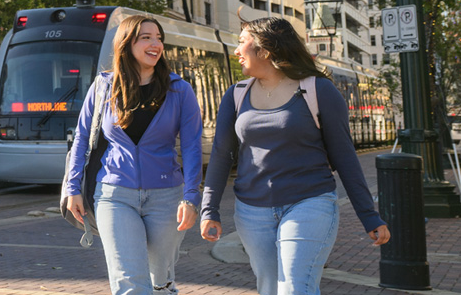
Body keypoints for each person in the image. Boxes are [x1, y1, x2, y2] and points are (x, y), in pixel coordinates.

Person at [201, 17, 391, 295]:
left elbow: (344, 156)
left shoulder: (318, 90)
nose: (236, 51)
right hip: (252, 210)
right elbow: (221, 154)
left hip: (309, 202)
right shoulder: (236, 95)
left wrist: (368, 215)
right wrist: (210, 209)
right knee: (269, 287)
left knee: (294, 287)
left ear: (264, 50)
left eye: (242, 43)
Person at [64, 15, 203, 295]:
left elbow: (191, 147)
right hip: (114, 194)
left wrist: (191, 197)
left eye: (159, 38)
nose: (156, 44)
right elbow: (81, 140)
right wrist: (72, 188)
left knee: (160, 280)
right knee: (129, 281)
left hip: (167, 197)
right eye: (146, 37)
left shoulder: (179, 90)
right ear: (127, 44)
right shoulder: (103, 87)